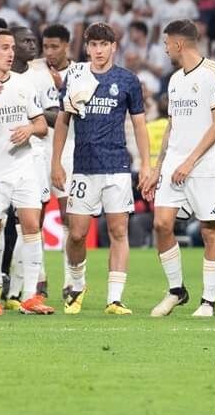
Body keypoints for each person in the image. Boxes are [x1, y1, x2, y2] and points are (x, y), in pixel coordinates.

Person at [52, 20, 149, 315]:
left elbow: (139, 124)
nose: (98, 50)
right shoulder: (77, 77)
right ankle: (77, 286)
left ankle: (115, 299)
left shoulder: (128, 80)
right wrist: (56, 161)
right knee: (77, 233)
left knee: (119, 231)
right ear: (87, 47)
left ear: (113, 47)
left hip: (117, 166)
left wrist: (146, 164)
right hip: (82, 166)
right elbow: (62, 120)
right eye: (93, 45)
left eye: (104, 45)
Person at [0, 25, 56, 315]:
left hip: (24, 166)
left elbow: (43, 125)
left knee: (32, 226)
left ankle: (30, 295)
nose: (11, 53)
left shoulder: (24, 84)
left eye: (12, 48)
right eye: (5, 47)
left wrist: (30, 128)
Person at [147, 19, 215, 319]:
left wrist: (190, 161)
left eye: (167, 43)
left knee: (210, 230)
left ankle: (208, 302)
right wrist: (158, 167)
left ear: (179, 44)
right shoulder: (174, 80)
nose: (166, 48)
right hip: (174, 165)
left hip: (205, 166)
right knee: (161, 224)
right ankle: (176, 290)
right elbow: (172, 125)